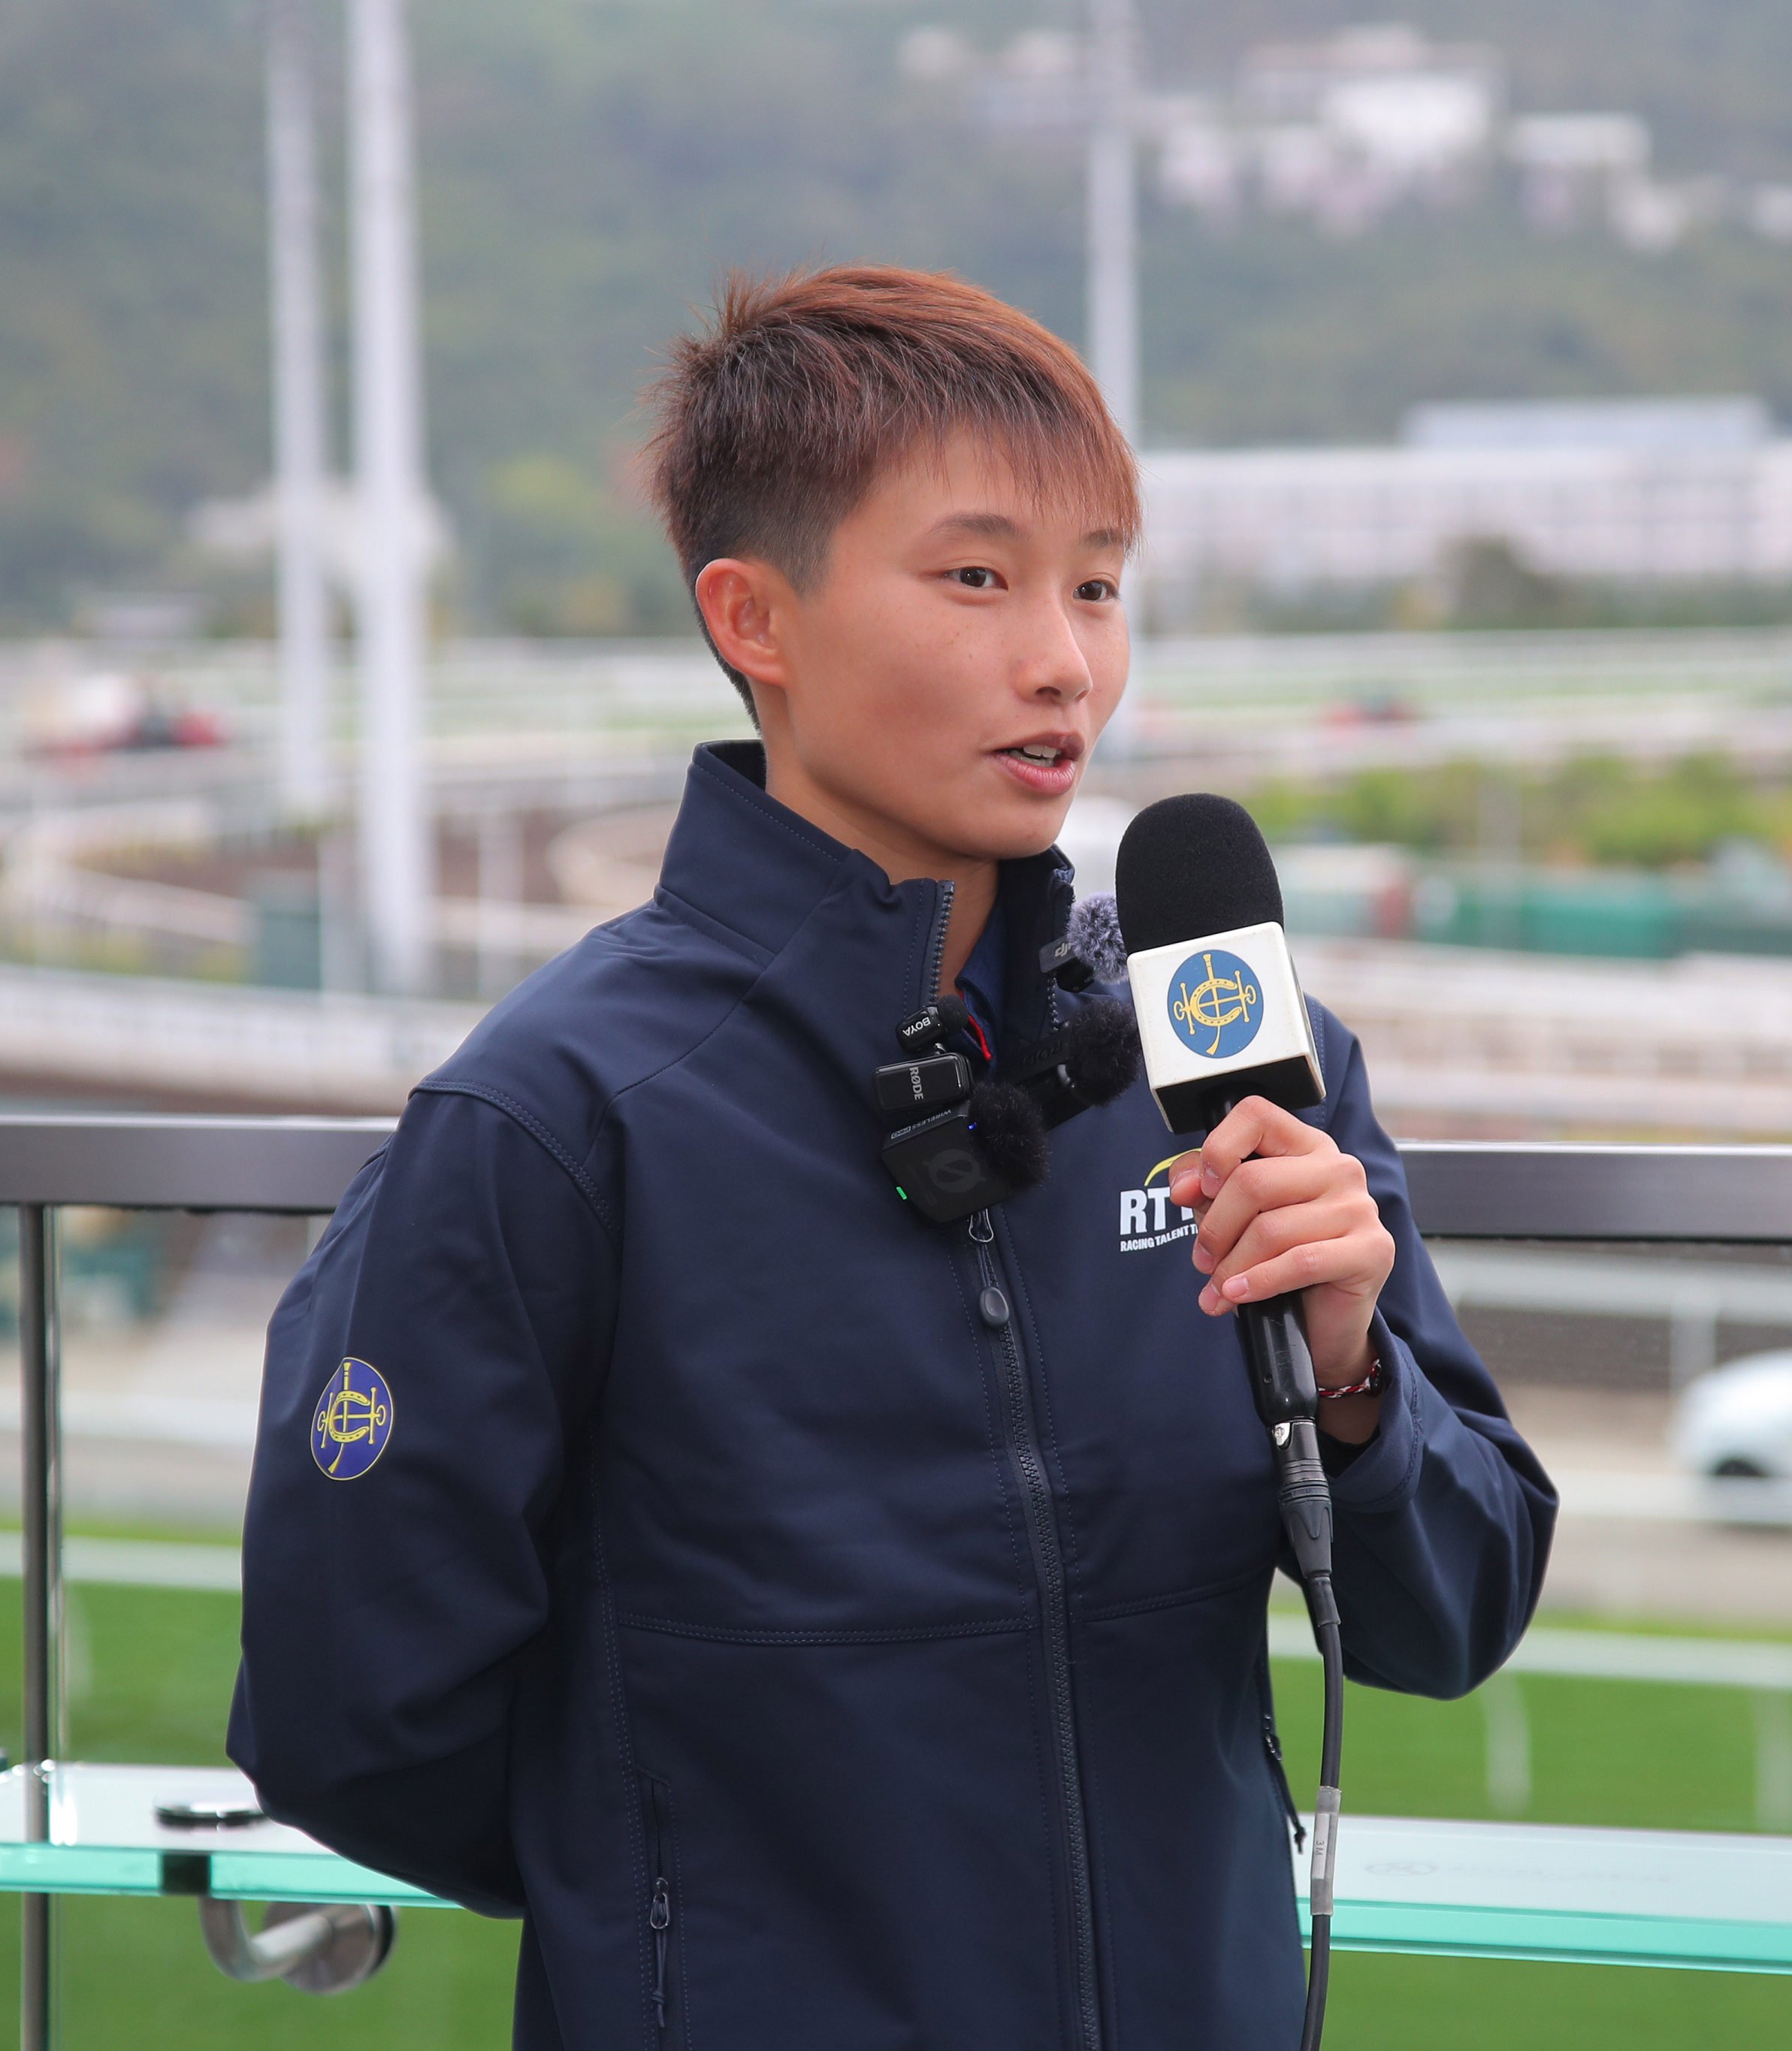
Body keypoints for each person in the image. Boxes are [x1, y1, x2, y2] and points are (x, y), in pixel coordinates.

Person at [230, 264, 1555, 2049]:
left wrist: (1349, 1379)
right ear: (752, 617)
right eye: (977, 576)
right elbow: (350, 1709)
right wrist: (692, 1920)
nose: (1061, 659)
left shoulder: (1230, 1051)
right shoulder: (560, 1113)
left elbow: (1453, 1612)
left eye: (1096, 584)